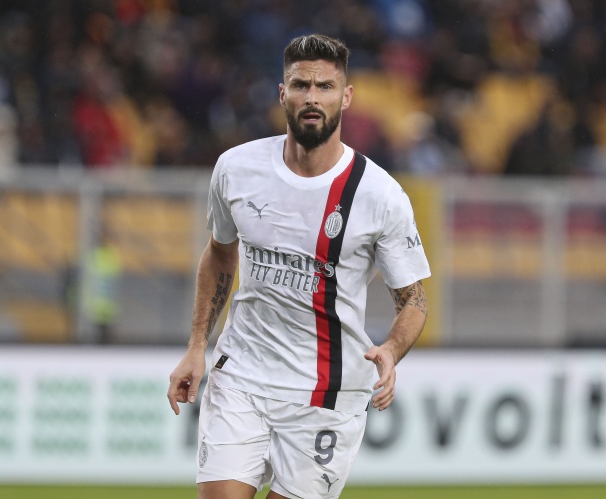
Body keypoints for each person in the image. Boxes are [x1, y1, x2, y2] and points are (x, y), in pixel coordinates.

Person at [167, 34, 430, 499]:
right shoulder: (236, 168)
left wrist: (390, 349)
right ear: (282, 93)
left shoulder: (380, 195)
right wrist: (196, 345)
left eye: (325, 87)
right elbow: (221, 252)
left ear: (346, 97)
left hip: (327, 393)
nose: (312, 97)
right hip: (243, 374)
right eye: (301, 85)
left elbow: (413, 300)